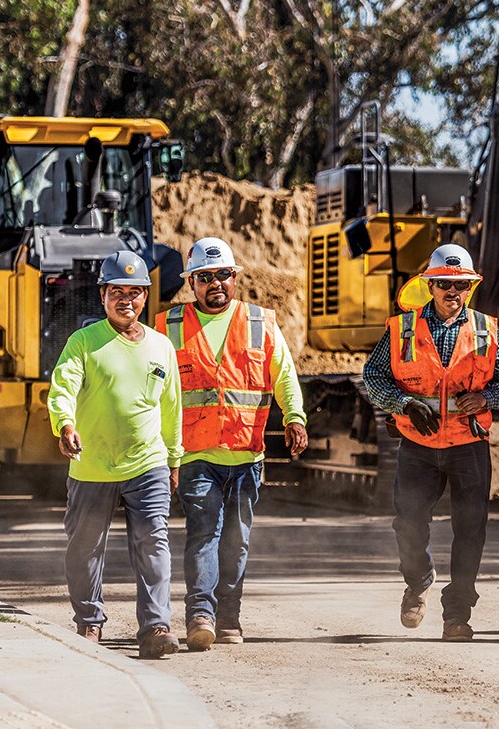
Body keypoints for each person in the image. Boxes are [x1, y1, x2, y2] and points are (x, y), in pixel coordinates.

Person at [155, 237, 308, 652]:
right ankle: (200, 615)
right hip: (194, 454)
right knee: (203, 532)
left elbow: (285, 376)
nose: (215, 283)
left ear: (235, 277)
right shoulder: (167, 327)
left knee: (236, 540)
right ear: (191, 283)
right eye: (205, 278)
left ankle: (229, 616)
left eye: (223, 274)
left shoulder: (260, 322)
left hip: (247, 455)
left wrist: (294, 417)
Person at [363, 244, 499, 642]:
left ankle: (457, 615)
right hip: (418, 444)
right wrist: (403, 403)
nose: (455, 292)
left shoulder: (486, 329)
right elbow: (374, 377)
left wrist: (486, 398)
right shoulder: (402, 328)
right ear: (431, 285)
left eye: (463, 286)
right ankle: (418, 581)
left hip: (468, 444)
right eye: (446, 285)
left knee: (471, 529)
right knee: (409, 524)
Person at [48, 250, 183, 659]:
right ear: (103, 294)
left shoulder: (161, 346)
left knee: (153, 542)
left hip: (148, 463)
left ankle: (157, 626)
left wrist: (174, 459)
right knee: (85, 546)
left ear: (146, 295)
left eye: (135, 292)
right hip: (92, 465)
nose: (127, 300)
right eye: (117, 292)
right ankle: (89, 621)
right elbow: (63, 387)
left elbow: (172, 407)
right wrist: (64, 424)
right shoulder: (84, 342)